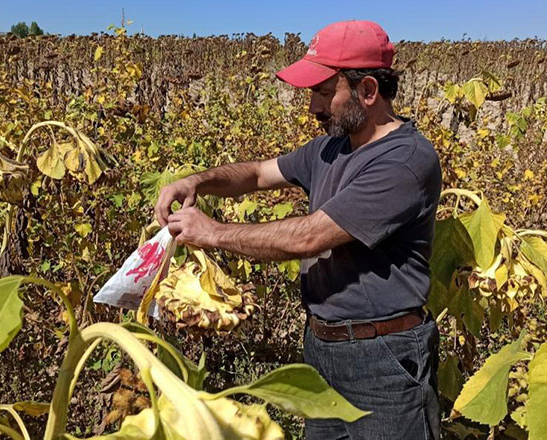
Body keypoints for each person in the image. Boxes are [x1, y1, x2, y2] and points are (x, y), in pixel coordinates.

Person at [155, 20, 442, 440]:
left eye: (325, 92)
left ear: (367, 91)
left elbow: (310, 236)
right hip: (322, 349)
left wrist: (213, 232)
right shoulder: (332, 146)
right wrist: (195, 181)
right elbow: (255, 174)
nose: (313, 107)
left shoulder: (404, 162)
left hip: (384, 360)